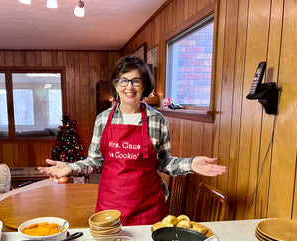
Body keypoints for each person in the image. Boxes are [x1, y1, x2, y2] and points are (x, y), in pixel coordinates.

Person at [39, 55, 226, 225]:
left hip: (149, 209)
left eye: (136, 81)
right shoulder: (103, 119)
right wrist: (69, 168)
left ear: (144, 86)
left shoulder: (157, 120)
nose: (129, 87)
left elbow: (164, 162)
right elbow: (95, 162)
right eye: (124, 81)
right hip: (110, 206)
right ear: (116, 84)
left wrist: (191, 164)